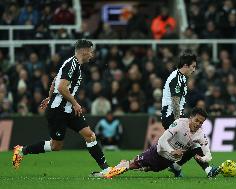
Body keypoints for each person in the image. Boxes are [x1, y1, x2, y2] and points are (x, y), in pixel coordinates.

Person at [12, 39, 125, 177]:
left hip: (69, 109)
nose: (92, 54)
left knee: (89, 135)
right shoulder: (72, 64)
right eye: (90, 51)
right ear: (83, 51)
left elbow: (55, 81)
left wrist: (50, 97)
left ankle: (106, 169)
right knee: (56, 146)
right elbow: (61, 87)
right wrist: (75, 102)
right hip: (58, 111)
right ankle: (21, 151)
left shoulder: (73, 64)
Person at [104, 108, 219, 178]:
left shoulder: (200, 134)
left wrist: (202, 159)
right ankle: (111, 170)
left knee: (196, 146)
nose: (198, 124)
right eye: (196, 120)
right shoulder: (179, 124)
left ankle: (176, 168)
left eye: (201, 122)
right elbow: (162, 140)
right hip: (158, 153)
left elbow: (208, 154)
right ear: (190, 118)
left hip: (169, 161)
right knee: (133, 165)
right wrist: (172, 151)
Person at [161, 49, 219, 178]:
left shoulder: (180, 77)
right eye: (193, 66)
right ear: (185, 66)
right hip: (171, 117)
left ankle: (176, 166)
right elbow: (175, 101)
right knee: (194, 142)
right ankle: (208, 170)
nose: (194, 70)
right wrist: (178, 122)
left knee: (191, 144)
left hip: (173, 116)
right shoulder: (177, 78)